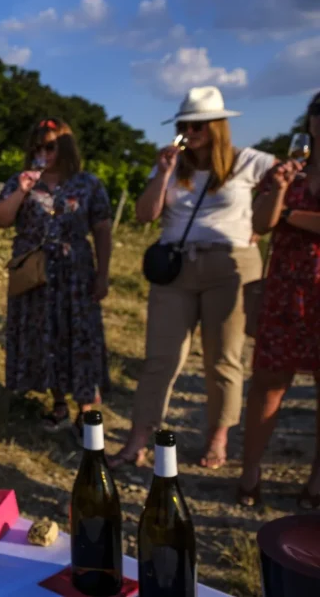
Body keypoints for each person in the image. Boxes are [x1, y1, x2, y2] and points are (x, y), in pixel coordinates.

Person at [108, 86, 275, 470]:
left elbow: (284, 193)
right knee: (160, 358)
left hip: (229, 266)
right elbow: (145, 215)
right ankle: (138, 439)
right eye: (185, 123)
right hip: (176, 268)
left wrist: (259, 228)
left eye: (198, 124)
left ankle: (218, 437)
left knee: (223, 359)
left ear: (217, 126)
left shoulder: (250, 161)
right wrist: (163, 174)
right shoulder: (170, 164)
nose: (190, 130)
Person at [0, 118, 113, 437]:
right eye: (37, 146)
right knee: (46, 336)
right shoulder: (21, 181)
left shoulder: (88, 183)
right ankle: (59, 402)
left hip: (75, 274)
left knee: (80, 335)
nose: (42, 152)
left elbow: (102, 229)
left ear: (66, 147)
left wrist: (103, 274)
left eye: (49, 146)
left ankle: (86, 407)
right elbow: (0, 220)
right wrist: (22, 189)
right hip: (35, 275)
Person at [237, 90, 320, 509]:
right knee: (268, 383)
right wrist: (281, 192)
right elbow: (259, 224)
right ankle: (250, 472)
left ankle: (317, 482)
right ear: (310, 122)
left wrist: (290, 216)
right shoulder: (288, 172)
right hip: (286, 291)